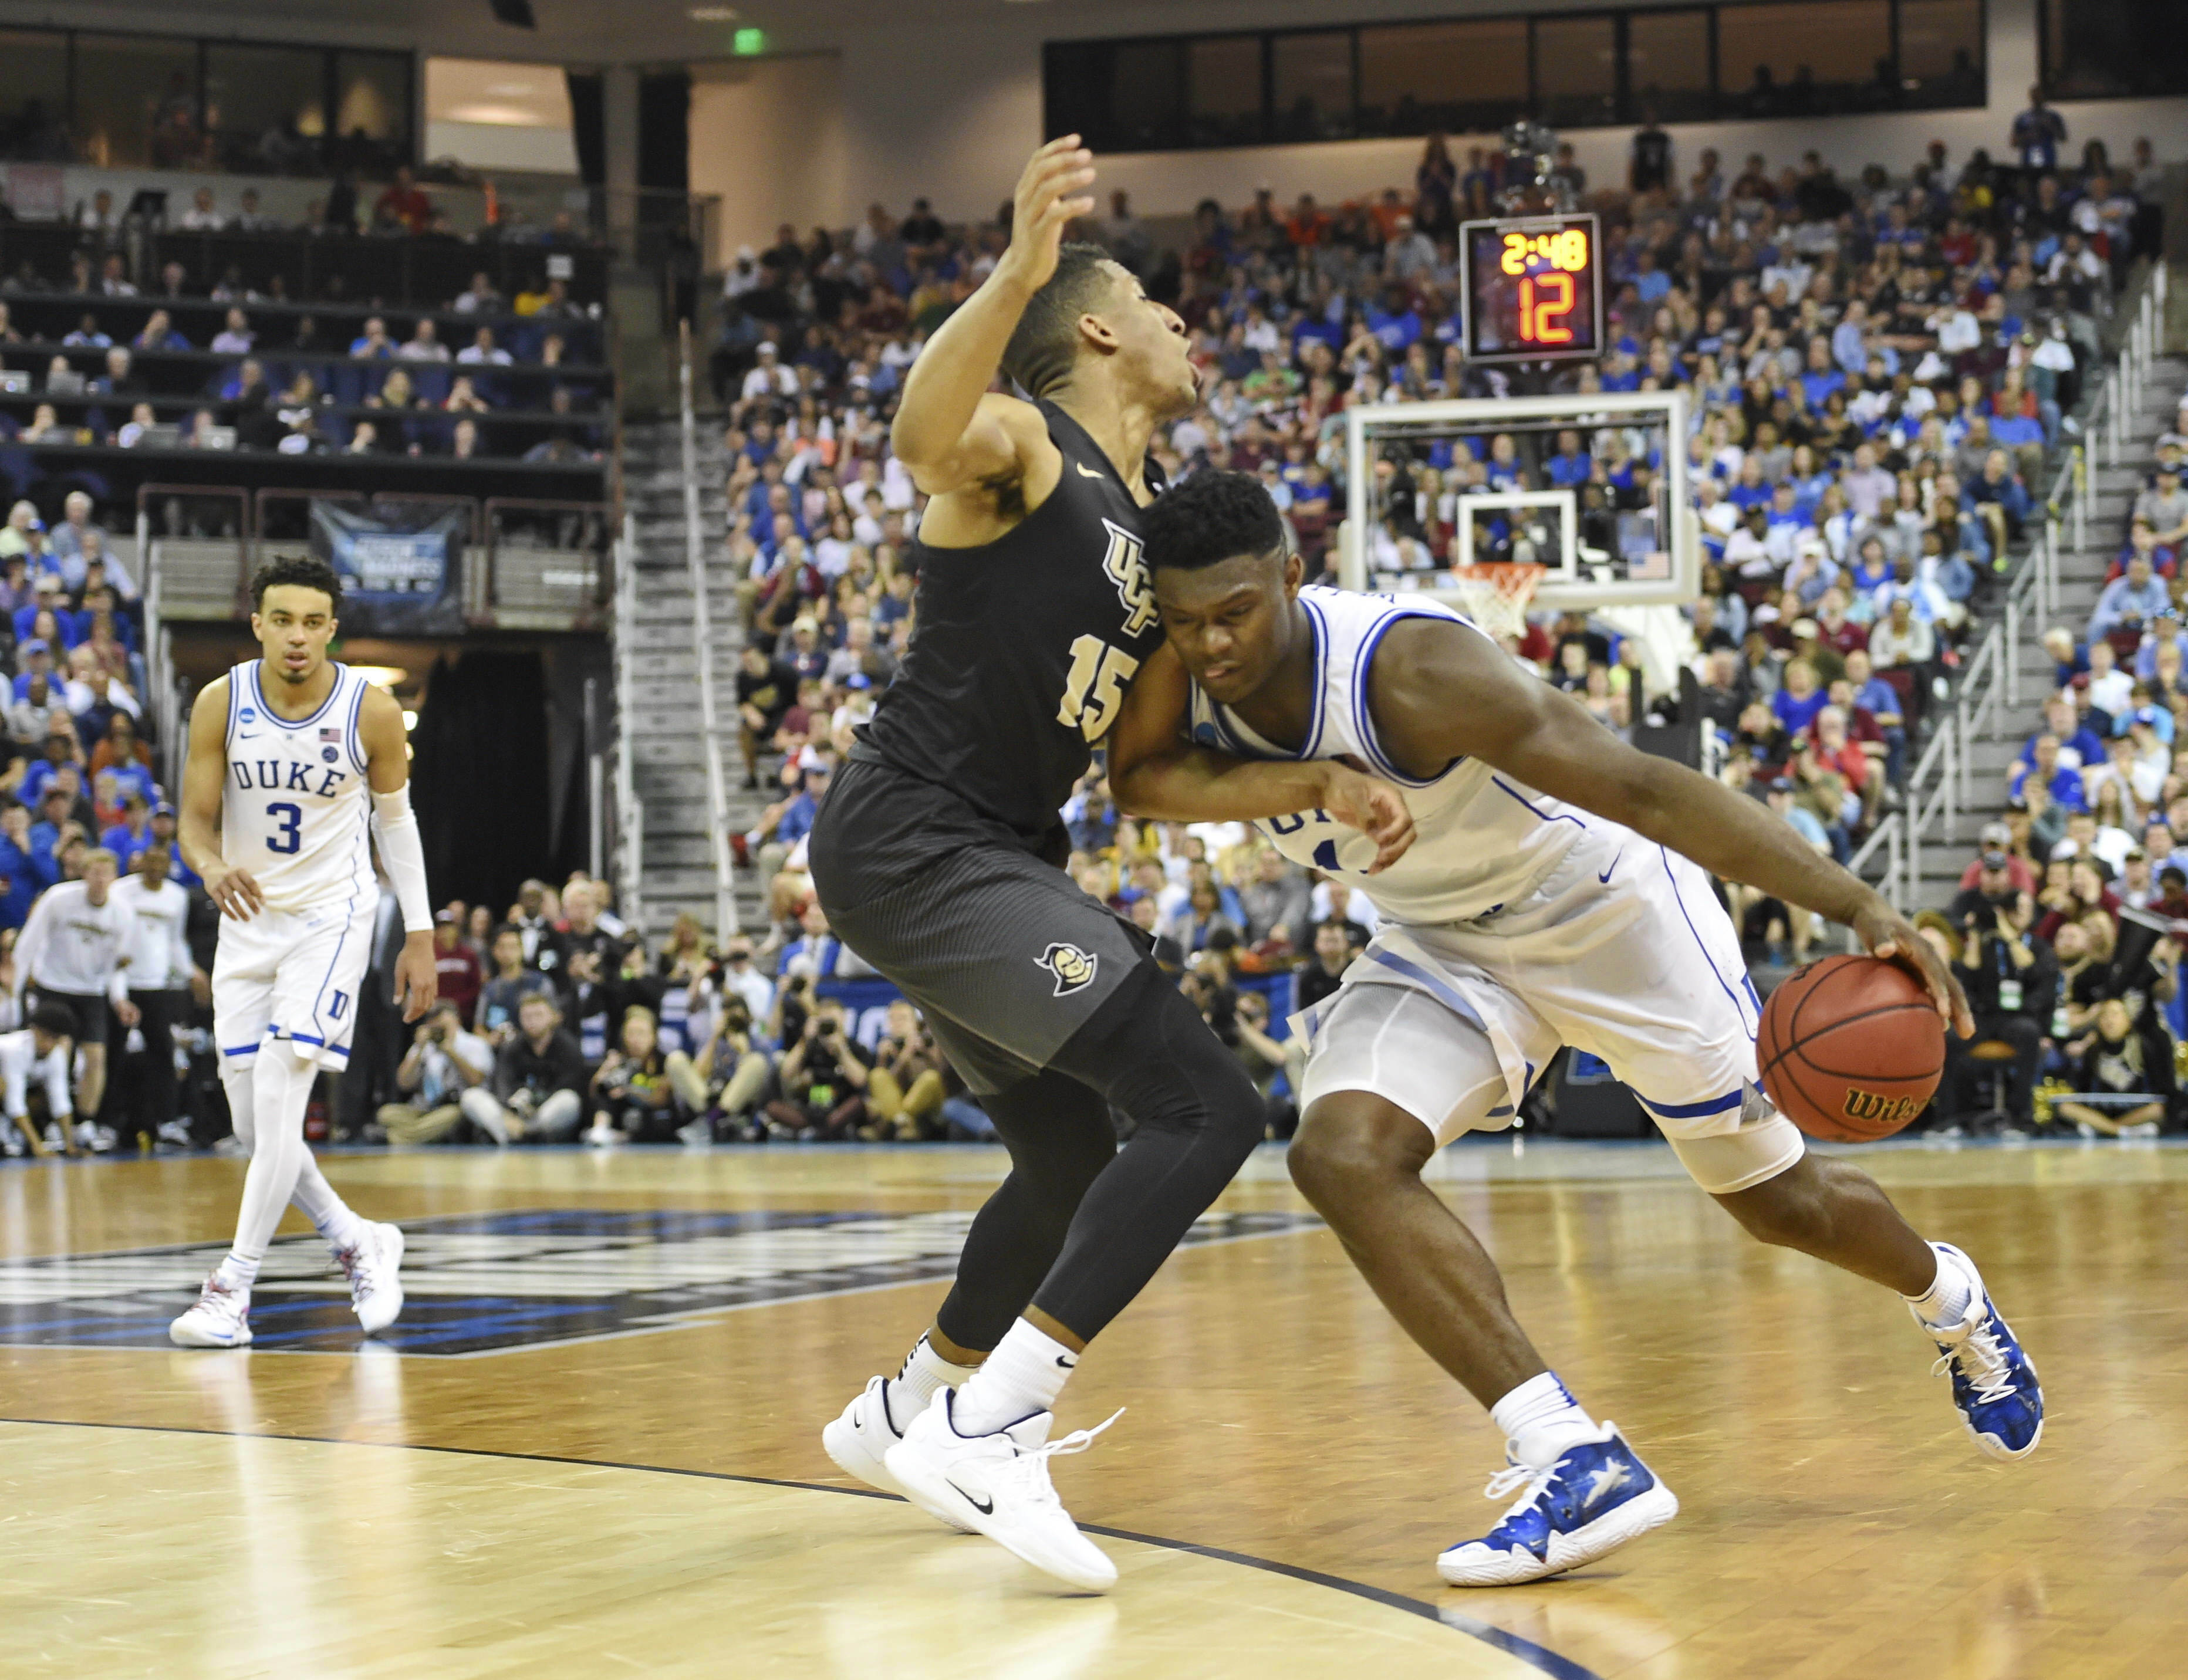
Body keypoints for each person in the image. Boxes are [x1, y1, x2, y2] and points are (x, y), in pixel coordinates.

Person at [1109, 469, 2042, 1586]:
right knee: (1339, 1152)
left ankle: (1946, 1294)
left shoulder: (1410, 672)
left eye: (1234, 613)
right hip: (1437, 937)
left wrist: (1854, 904)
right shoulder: (1178, 661)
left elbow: (1644, 789)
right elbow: (1140, 779)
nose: (1209, 644)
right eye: (1185, 621)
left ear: (1293, 576)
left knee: (1777, 1204)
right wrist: (1311, 780)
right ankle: (1569, 1448)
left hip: (1600, 906)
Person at [810, 138, 1410, 1593]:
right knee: (1205, 1107)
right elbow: (915, 438)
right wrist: (1015, 265)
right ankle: (991, 1426)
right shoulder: (1021, 443)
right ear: (1096, 327)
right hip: (915, 834)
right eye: (1160, 307)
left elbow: (1146, 778)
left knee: (1074, 1153)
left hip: (990, 851)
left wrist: (1312, 781)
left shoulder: (1148, 527)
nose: (1185, 330)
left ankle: (902, 1408)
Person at [168, 555, 438, 1350]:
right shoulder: (221, 701)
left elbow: (397, 824)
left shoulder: (372, 707)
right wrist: (212, 865)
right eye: (281, 619)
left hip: (332, 916)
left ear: (333, 628)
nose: (297, 636)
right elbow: (193, 819)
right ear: (257, 624)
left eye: (313, 621)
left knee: (284, 1096)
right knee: (257, 1127)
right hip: (248, 921)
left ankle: (232, 1287)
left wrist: (418, 931)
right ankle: (359, 1237)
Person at [11, 845, 136, 1151]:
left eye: (106, 874)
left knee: (95, 1059)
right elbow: (28, 942)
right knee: (58, 1057)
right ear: (84, 874)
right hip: (53, 987)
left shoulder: (123, 913)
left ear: (114, 877)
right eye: (94, 873)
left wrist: (120, 999)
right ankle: (53, 1124)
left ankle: (85, 1123)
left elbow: (118, 964)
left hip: (92, 992)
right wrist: (14, 991)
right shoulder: (58, 899)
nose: (100, 880)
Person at [112, 839, 203, 1152]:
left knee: (163, 1054)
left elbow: (175, 941)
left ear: (169, 867)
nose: (155, 868)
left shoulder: (178, 897)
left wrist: (191, 972)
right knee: (115, 1053)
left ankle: (167, 1123)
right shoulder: (121, 891)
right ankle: (109, 1124)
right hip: (123, 983)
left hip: (157, 985)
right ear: (140, 863)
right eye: (149, 862)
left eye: (161, 863)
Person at [459, 991, 587, 1144]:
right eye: (527, 1016)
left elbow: (570, 1085)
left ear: (553, 1017)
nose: (532, 1021)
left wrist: (536, 1103)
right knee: (471, 1097)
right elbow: (502, 1084)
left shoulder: (569, 1046)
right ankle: (513, 1137)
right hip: (512, 1115)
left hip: (544, 1113)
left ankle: (525, 1134)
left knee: (568, 1100)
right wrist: (509, 1114)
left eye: (538, 1015)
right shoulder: (512, 1048)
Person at [0, 1003, 79, 1158]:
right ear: (34, 1030)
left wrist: (70, 1145)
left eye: (55, 1039)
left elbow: (60, 1099)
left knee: (41, 1098)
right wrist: (37, 1146)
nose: (48, 1044)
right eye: (44, 1036)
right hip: (7, 1092)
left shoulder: (57, 1056)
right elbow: (14, 1102)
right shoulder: (15, 1050)